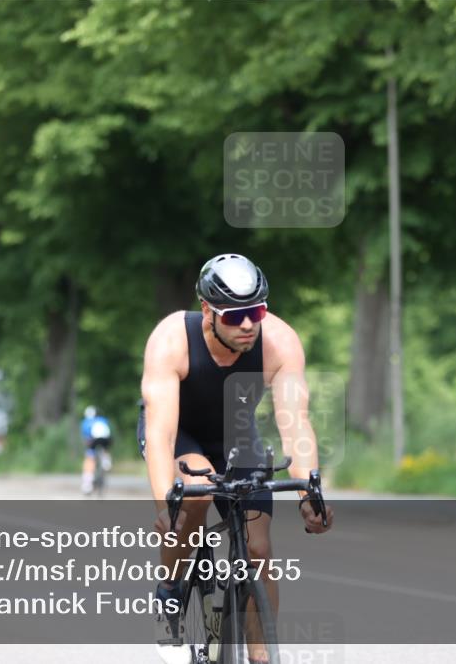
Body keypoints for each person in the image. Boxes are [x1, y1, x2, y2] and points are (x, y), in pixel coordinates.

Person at [138, 253, 334, 664]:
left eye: (257, 311)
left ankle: (261, 655)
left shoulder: (279, 342)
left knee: (259, 551)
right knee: (195, 492)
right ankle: (171, 589)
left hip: (237, 435)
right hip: (180, 432)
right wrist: (165, 505)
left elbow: (295, 424)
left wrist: (309, 492)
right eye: (235, 316)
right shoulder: (172, 337)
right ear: (207, 311)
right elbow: (161, 433)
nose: (248, 325)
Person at [80, 405, 113, 495]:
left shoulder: (86, 422)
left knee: (90, 457)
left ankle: (87, 483)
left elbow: (86, 438)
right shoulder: (103, 419)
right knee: (106, 449)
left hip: (94, 440)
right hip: (106, 439)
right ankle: (106, 460)